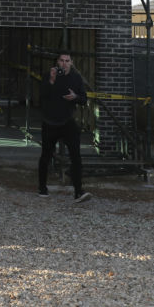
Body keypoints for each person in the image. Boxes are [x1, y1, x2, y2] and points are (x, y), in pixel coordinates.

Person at [37, 52, 91, 202]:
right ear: (57, 62)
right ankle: (42, 187)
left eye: (67, 61)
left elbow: (84, 99)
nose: (64, 63)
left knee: (76, 156)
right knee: (46, 155)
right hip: (50, 121)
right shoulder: (49, 75)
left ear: (71, 63)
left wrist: (76, 97)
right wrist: (52, 81)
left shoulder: (75, 78)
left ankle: (78, 191)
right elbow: (42, 95)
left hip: (67, 121)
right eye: (61, 60)